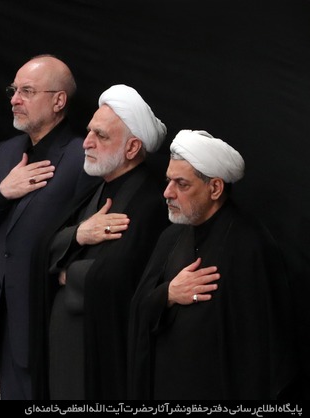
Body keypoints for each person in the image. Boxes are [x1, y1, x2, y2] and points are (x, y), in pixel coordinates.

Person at [127, 129, 299, 399]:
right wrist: (168, 294)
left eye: (182, 184)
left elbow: (261, 350)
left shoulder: (250, 245)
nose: (168, 193)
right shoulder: (171, 236)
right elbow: (140, 307)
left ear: (215, 188)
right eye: (169, 181)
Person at [0, 54, 99, 400]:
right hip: (1, 319)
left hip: (50, 321)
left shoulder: (82, 158)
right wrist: (1, 193)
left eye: (27, 91)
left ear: (59, 101)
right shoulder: (5, 153)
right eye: (13, 90)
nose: (14, 99)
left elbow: (87, 242)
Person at [33, 84, 169, 400]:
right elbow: (44, 245)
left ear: (132, 148)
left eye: (101, 136)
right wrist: (78, 234)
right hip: (66, 347)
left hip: (102, 350)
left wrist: (69, 274)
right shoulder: (95, 189)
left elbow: (128, 278)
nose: (87, 142)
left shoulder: (150, 203)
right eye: (89, 132)